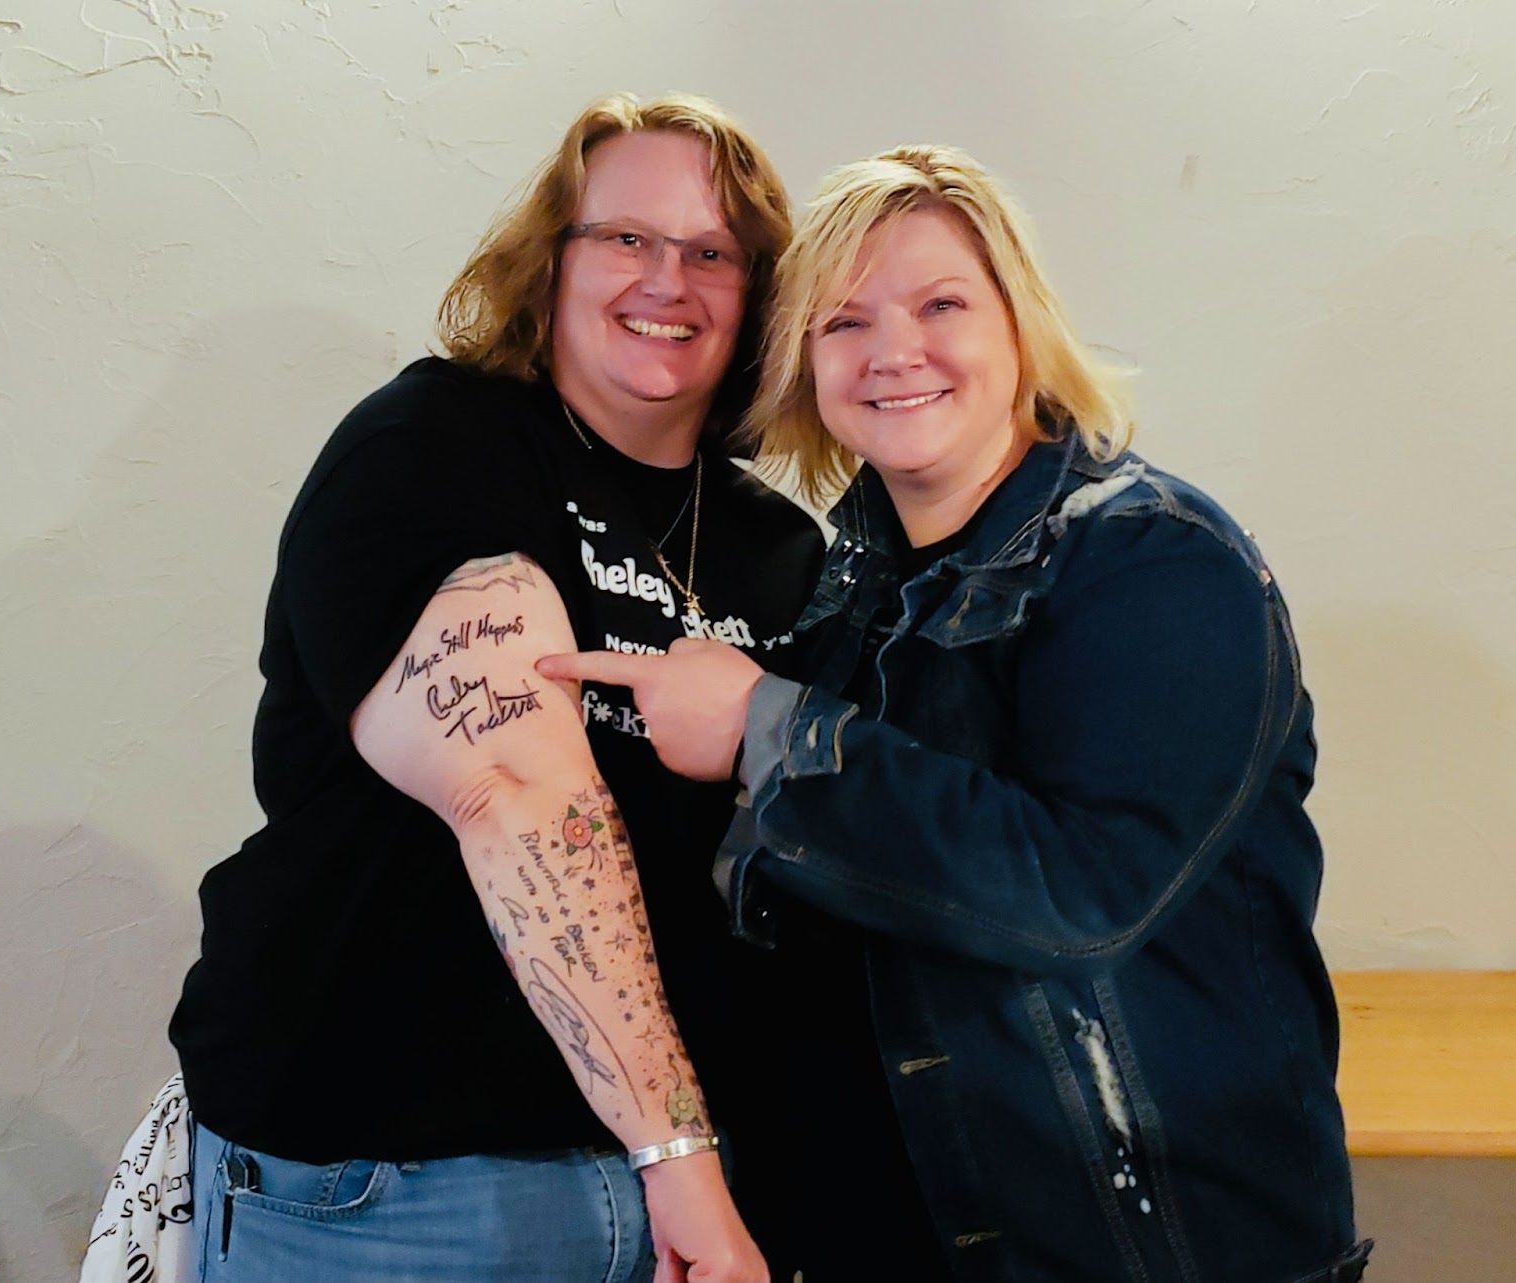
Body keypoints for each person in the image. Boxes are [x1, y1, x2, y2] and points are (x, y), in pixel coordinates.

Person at [539, 145, 1372, 1282]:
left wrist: (764, 733)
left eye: (940, 305)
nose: (894, 352)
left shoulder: (1153, 561)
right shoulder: (846, 589)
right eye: (844, 322)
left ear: (1020, 326)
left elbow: (1077, 895)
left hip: (1146, 1252)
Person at [166, 92, 824, 1283]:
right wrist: (677, 1151)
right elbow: (513, 791)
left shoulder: (781, 547)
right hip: (395, 1187)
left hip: (680, 1187)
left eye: (712, 252)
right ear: (552, 260)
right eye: (626, 237)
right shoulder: (434, 444)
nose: (666, 279)